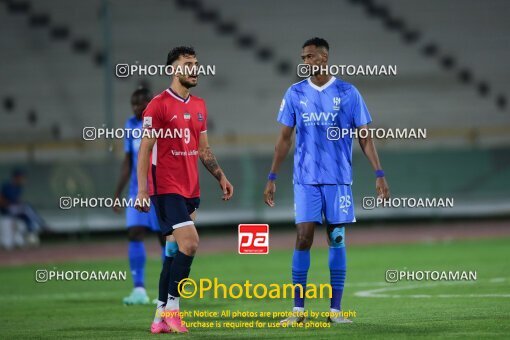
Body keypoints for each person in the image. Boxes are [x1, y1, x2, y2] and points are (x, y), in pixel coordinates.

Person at [263, 37, 390, 325]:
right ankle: (298, 311)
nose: (305, 62)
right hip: (306, 179)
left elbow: (365, 138)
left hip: (338, 179)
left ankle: (335, 312)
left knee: (336, 238)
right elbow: (284, 139)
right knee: (303, 236)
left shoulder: (348, 92)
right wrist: (272, 176)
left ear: (324, 57)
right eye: (303, 57)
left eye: (309, 56)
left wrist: (379, 174)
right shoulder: (295, 93)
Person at [135, 46, 233, 334]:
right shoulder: (158, 105)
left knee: (172, 251)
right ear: (172, 69)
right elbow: (145, 150)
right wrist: (142, 191)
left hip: (190, 188)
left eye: (197, 64)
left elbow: (204, 150)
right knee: (190, 243)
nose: (195, 69)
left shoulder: (199, 105)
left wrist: (220, 176)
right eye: (188, 64)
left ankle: (158, 318)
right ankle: (173, 311)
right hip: (165, 188)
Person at [113, 87, 170, 305]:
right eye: (133, 104)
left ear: (150, 104)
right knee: (134, 233)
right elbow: (128, 161)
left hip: (159, 190)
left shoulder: (161, 122)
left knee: (165, 239)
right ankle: (138, 289)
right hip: (137, 192)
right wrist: (117, 193)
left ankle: (165, 294)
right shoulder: (130, 124)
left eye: (141, 103)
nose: (137, 107)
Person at [0, 168, 46, 247]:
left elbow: (17, 200)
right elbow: (2, 200)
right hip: (6, 210)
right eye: (21, 177)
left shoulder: (19, 187)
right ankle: (41, 224)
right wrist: (9, 205)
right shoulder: (7, 186)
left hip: (14, 210)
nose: (23, 179)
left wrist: (18, 203)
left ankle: (32, 229)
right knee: (26, 208)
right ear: (16, 177)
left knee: (26, 212)